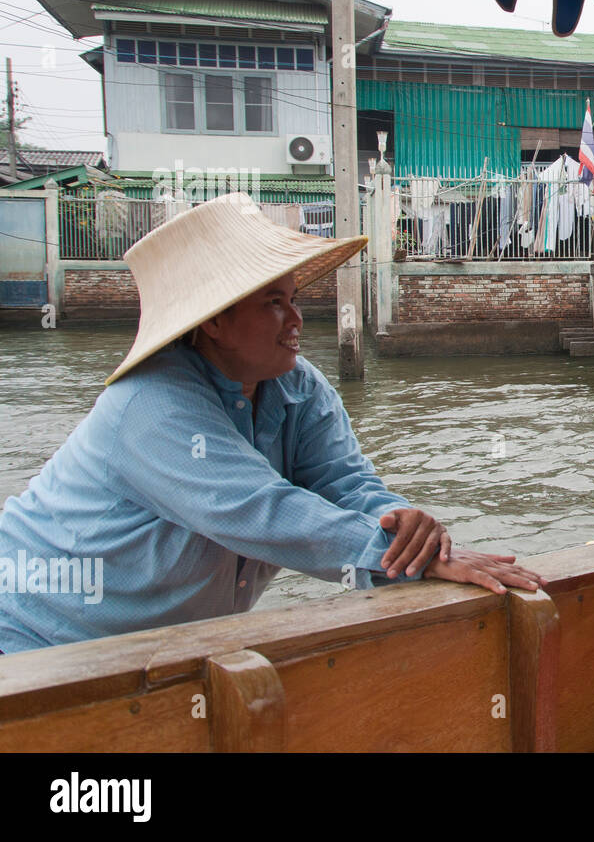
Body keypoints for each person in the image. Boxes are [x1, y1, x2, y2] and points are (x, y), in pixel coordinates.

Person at [0, 194, 544, 655]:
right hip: (37, 639)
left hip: (163, 647)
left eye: (294, 299)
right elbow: (258, 511)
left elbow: (344, 483)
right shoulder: (149, 403)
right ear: (213, 320)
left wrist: (402, 530)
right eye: (274, 303)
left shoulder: (297, 385)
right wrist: (404, 557)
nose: (297, 320)